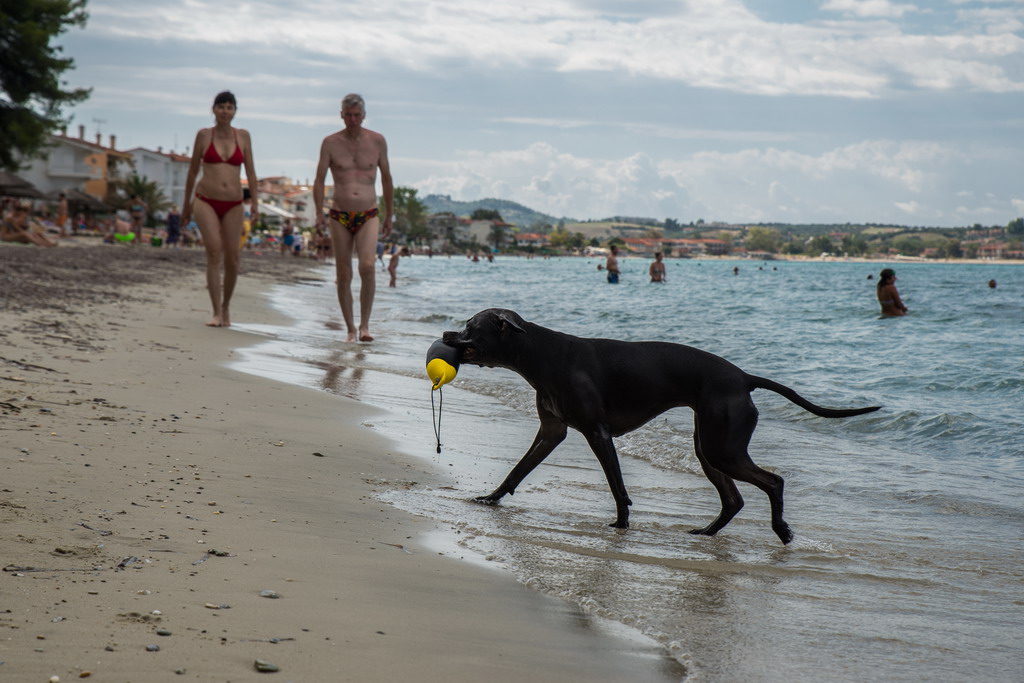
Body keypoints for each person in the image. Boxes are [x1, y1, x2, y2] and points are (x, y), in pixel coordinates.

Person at [314, 93, 393, 342]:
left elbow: (387, 179)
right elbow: (319, 179)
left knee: (367, 266)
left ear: (364, 115)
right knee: (344, 273)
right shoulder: (330, 142)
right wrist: (318, 213)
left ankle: (365, 326)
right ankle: (350, 328)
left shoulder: (377, 141)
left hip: (368, 212)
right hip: (339, 213)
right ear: (341, 115)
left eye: (357, 115)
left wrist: (390, 215)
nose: (353, 119)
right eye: (348, 115)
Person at [181, 90, 258, 327]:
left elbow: (251, 172)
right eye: (221, 107)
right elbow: (192, 172)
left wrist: (255, 203)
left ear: (234, 111)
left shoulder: (243, 136)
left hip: (234, 203)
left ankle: (226, 308)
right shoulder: (204, 135)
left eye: (229, 107)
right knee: (214, 251)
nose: (225, 111)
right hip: (205, 200)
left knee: (233, 259)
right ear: (213, 109)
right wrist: (185, 207)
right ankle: (216, 312)